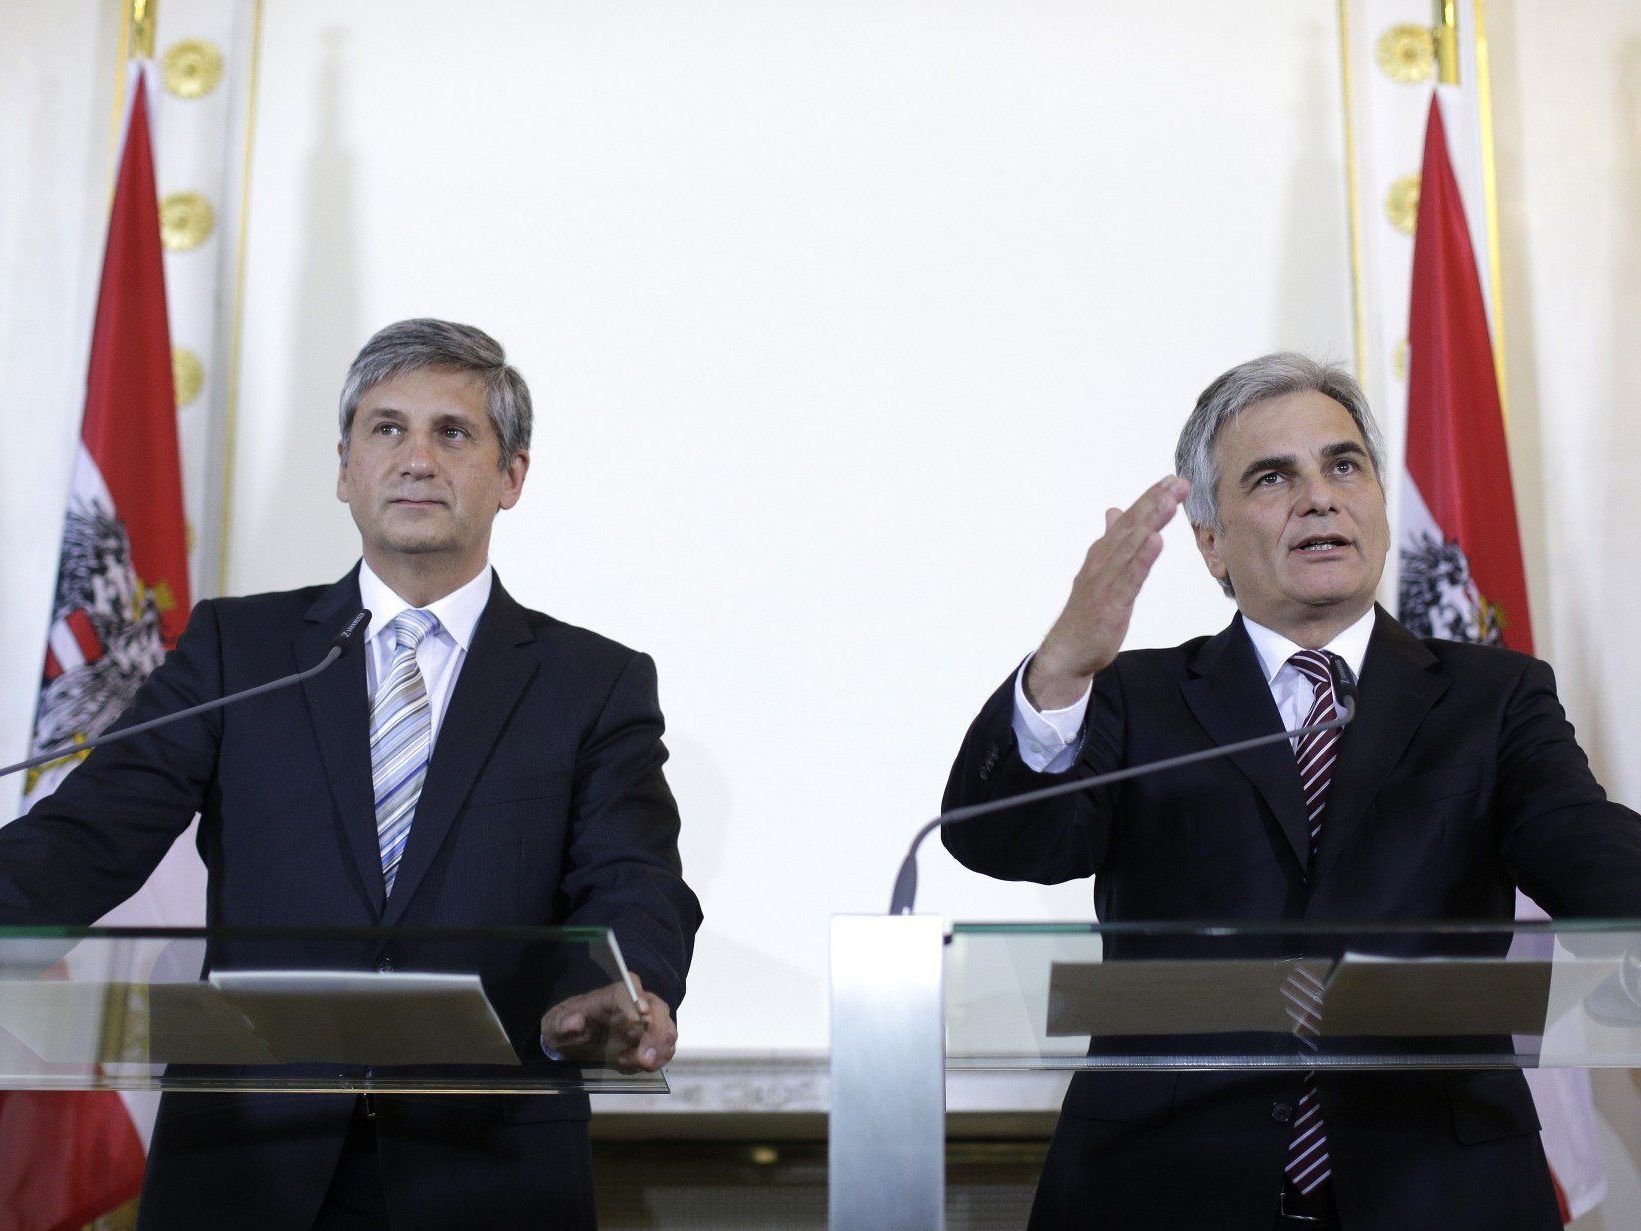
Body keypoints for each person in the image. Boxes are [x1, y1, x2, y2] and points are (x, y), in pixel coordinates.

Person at [0, 319, 702, 1230]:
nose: (416, 458)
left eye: (452, 432)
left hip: (486, 1161)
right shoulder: (237, 649)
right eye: (385, 428)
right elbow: (89, 834)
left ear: (512, 475)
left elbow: (634, 871)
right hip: (248, 1158)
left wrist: (630, 979)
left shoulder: (590, 681)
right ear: (344, 469)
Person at [941, 353, 1641, 1231]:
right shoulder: (1133, 696)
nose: (1319, 496)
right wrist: (1059, 670)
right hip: (1165, 1185)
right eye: (1273, 477)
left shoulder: (1491, 696)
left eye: (1342, 465)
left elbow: (1580, 844)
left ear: (1379, 506)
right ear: (1209, 542)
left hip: (1433, 1185)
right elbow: (1005, 841)